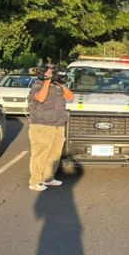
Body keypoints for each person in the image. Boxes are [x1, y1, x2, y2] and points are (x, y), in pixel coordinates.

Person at [28, 64, 75, 192]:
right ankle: (35, 181)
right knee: (40, 153)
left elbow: (71, 97)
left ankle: (48, 178)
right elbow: (41, 98)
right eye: (50, 72)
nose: (53, 74)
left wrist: (62, 85)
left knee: (54, 154)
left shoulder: (58, 86)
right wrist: (47, 81)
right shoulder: (38, 85)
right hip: (42, 125)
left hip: (58, 125)